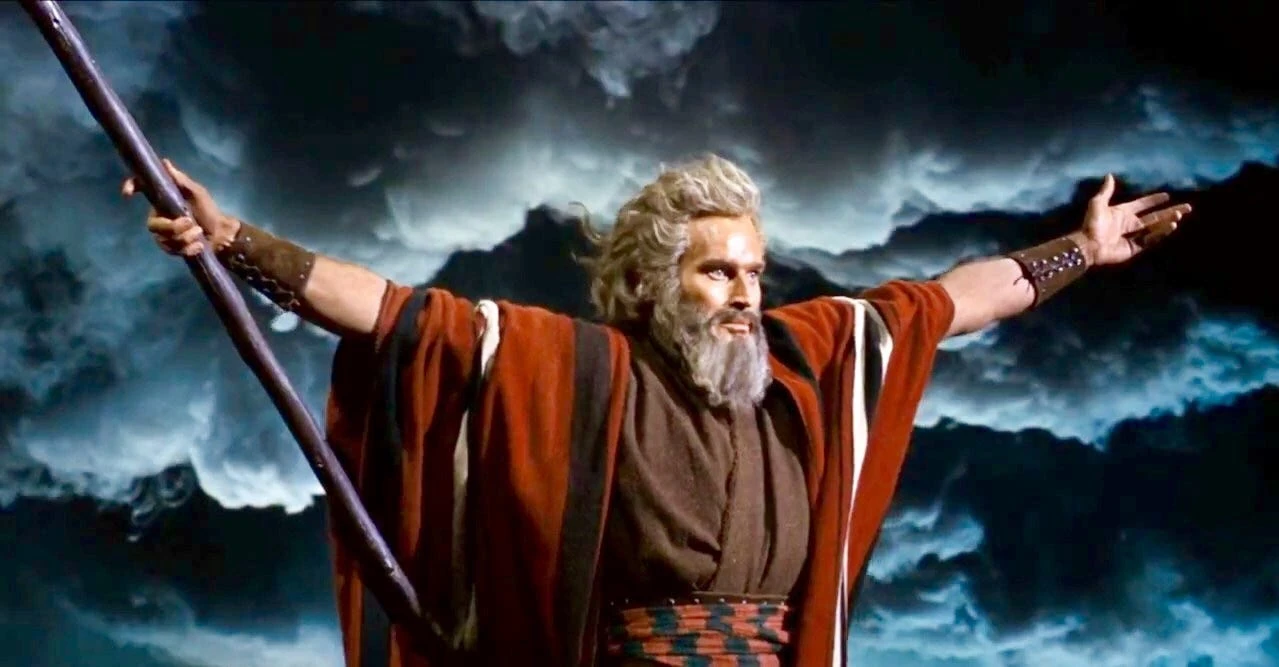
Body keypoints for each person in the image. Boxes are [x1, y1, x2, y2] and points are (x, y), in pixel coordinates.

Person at [126, 154, 1187, 667]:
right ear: (648, 281)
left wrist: (1078, 251)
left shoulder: (805, 359)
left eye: (754, 270)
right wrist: (237, 243)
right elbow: (399, 313)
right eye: (717, 271)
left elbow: (954, 300)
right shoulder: (582, 368)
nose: (745, 292)